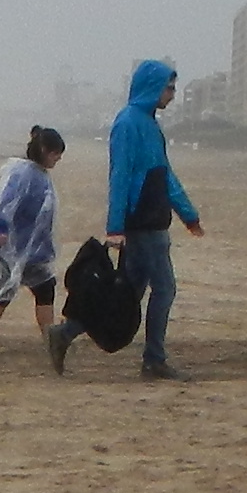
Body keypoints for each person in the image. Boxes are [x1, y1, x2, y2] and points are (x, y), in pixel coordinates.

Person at [58, 59, 202, 380]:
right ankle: (154, 360)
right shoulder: (128, 123)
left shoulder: (150, 125)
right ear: (152, 87)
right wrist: (115, 227)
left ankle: (64, 334)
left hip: (155, 219)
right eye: (169, 88)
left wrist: (188, 214)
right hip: (142, 223)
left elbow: (166, 177)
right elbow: (119, 176)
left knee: (126, 293)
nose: (173, 95)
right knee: (164, 289)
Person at [0, 126, 67, 354]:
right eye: (56, 154)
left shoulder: (37, 173)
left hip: (32, 248)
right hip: (18, 248)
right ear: (44, 150)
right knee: (13, 290)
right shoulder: (24, 174)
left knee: (35, 289)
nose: (58, 159)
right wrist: (1, 231)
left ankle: (48, 339)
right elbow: (5, 204)